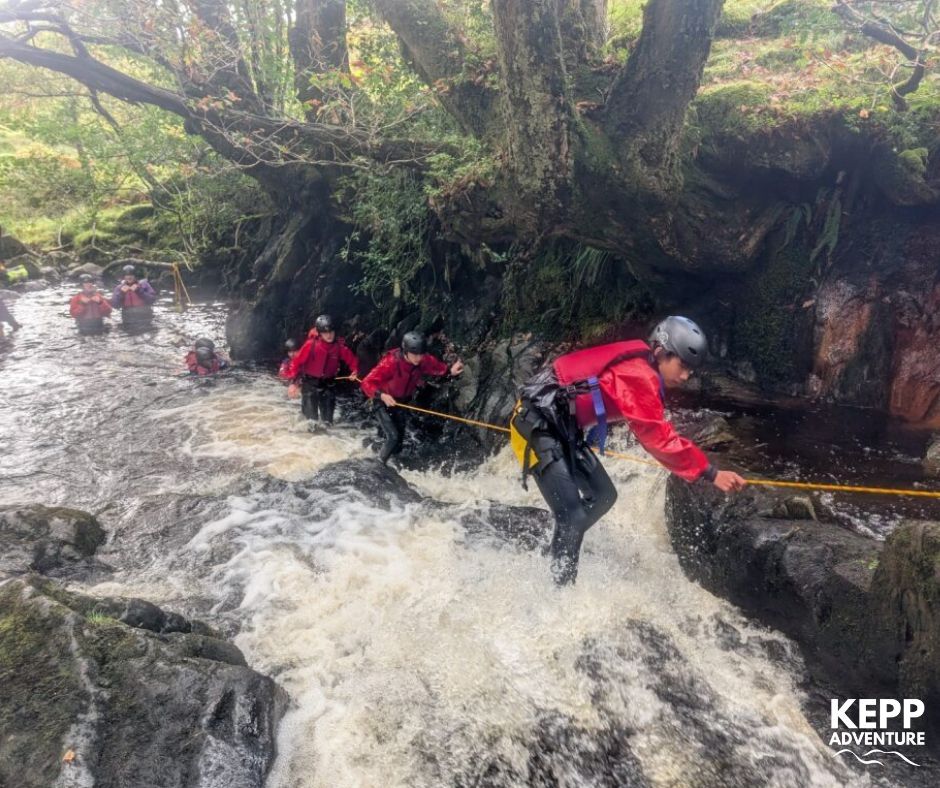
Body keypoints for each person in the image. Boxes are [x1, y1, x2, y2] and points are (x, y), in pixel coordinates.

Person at [510, 316, 747, 585]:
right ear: (660, 353)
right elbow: (659, 439)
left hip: (560, 426)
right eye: (682, 365)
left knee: (603, 496)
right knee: (573, 516)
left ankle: (558, 550)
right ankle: (558, 593)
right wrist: (711, 472)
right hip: (536, 423)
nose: (685, 376)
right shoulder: (639, 375)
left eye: (690, 371)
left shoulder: (642, 365)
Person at [360, 331, 464, 463]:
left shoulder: (423, 360)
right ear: (405, 351)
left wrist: (450, 371)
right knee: (393, 437)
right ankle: (377, 466)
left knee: (397, 446)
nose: (418, 358)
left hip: (400, 404)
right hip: (381, 401)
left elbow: (438, 368)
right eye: (415, 354)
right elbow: (366, 383)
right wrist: (382, 395)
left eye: (421, 354)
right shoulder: (391, 362)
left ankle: (373, 448)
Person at [286, 315, 359, 425]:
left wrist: (355, 371)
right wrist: (292, 383)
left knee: (327, 423)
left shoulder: (339, 347)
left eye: (331, 332)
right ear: (320, 333)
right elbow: (296, 363)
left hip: (328, 385)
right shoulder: (310, 345)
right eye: (325, 333)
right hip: (310, 385)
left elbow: (352, 361)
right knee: (311, 423)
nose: (329, 335)